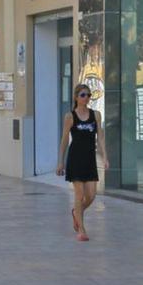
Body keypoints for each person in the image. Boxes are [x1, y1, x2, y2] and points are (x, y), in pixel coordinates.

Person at [57, 83, 109, 242]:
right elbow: (65, 139)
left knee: (91, 195)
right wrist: (60, 161)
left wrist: (105, 156)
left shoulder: (96, 115)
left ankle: (76, 213)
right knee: (79, 195)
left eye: (88, 95)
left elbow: (100, 136)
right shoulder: (70, 116)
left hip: (89, 158)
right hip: (75, 158)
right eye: (83, 95)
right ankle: (82, 229)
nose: (86, 98)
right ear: (76, 97)